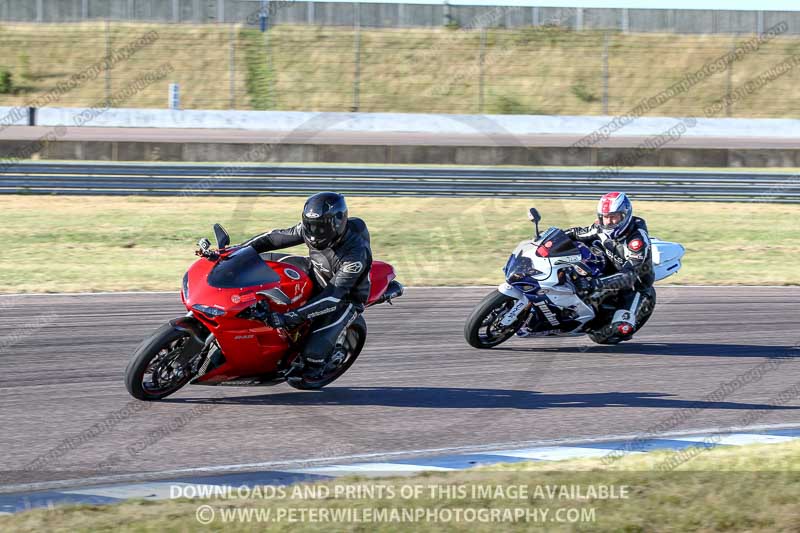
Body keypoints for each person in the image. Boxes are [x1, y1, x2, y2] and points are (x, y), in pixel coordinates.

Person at [239, 192, 372, 378]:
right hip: (315, 270)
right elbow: (273, 238)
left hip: (343, 297)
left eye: (320, 227)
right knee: (258, 261)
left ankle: (317, 366)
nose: (314, 232)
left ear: (338, 222)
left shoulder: (354, 257)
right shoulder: (310, 230)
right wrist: (235, 251)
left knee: (312, 356)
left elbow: (332, 296)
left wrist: (290, 317)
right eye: (310, 226)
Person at [564, 192, 654, 340]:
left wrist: (595, 283)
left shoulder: (636, 240)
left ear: (625, 215)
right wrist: (553, 235)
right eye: (605, 216)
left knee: (617, 331)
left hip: (633, 286)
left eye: (614, 216)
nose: (609, 222)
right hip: (608, 268)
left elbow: (630, 275)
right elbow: (577, 233)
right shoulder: (601, 226)